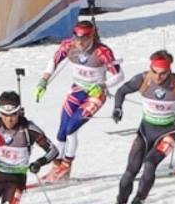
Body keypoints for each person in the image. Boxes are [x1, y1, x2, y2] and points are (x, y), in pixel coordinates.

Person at [102, 52, 175, 204]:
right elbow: (121, 91)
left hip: (168, 133)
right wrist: (117, 108)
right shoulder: (143, 79)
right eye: (155, 72)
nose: (158, 77)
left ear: (169, 71)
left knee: (150, 164)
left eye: (162, 73)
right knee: (130, 171)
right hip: (146, 131)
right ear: (150, 69)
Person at [34, 17, 121, 183]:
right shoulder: (68, 45)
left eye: (84, 38)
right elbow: (53, 61)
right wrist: (43, 81)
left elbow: (119, 75)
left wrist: (103, 85)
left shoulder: (102, 51)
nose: (79, 42)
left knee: (72, 128)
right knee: (61, 130)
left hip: (95, 94)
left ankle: (66, 167)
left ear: (92, 36)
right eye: (77, 37)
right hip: (77, 90)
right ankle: (57, 166)